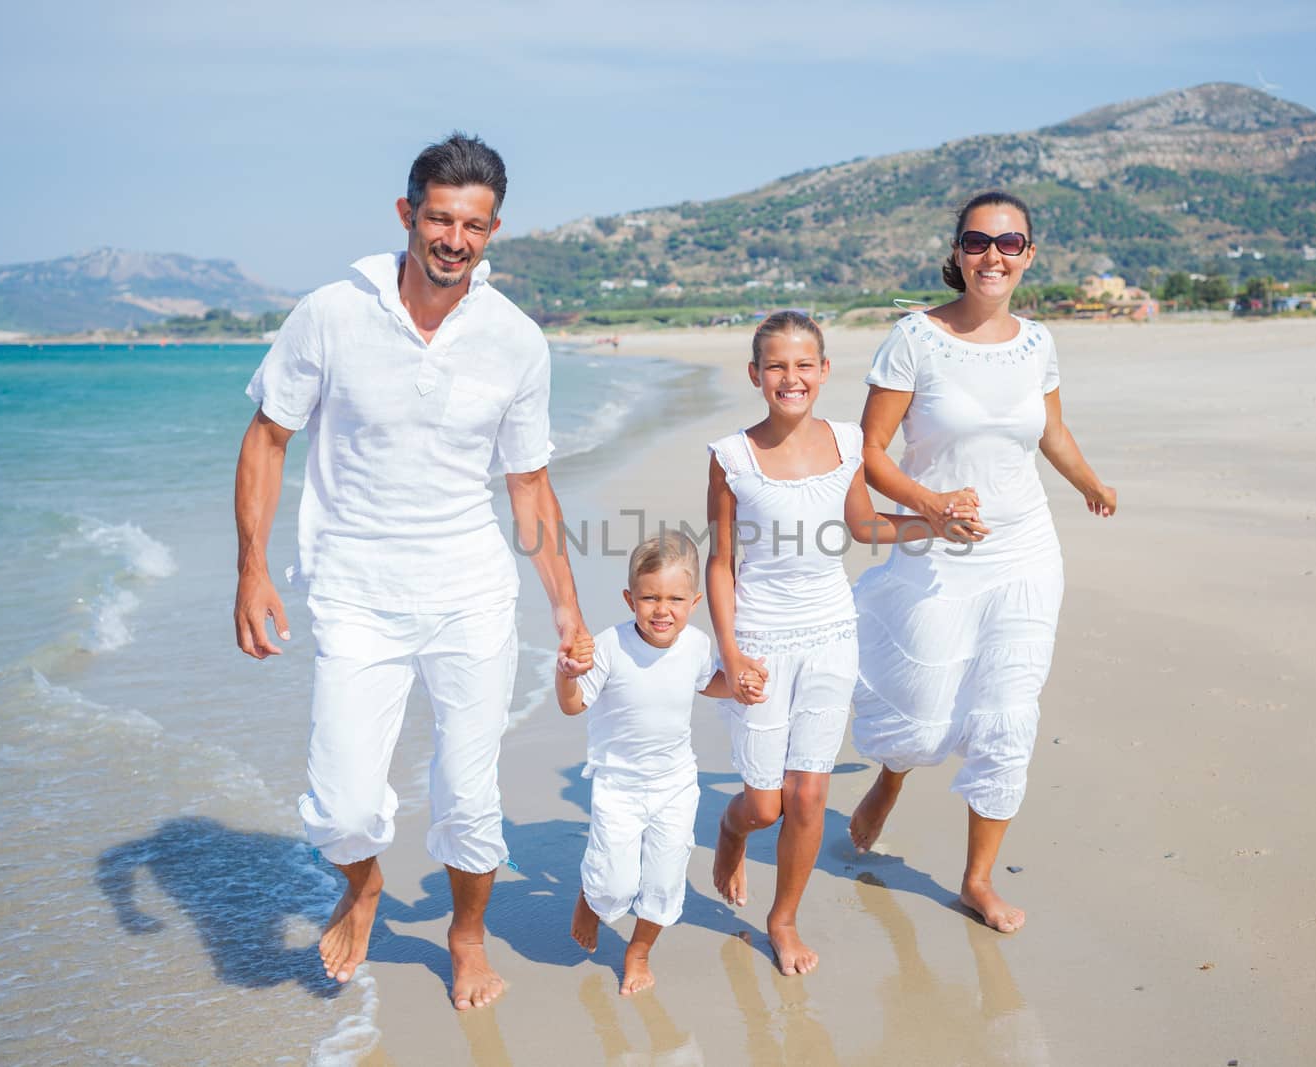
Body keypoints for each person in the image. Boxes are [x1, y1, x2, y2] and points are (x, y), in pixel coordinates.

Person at [232, 132, 589, 1010]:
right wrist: (251, 568)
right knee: (346, 806)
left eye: (473, 224)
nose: (454, 239)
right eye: (439, 218)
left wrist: (569, 614)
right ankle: (363, 883)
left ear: (494, 229)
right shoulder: (330, 313)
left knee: (469, 798)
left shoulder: (515, 341)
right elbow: (269, 437)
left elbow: (530, 486)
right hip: (355, 591)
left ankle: (467, 937)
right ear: (407, 215)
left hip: (470, 593)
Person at [847, 191, 1117, 934]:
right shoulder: (914, 339)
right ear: (957, 253)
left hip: (1025, 548)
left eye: (1009, 242)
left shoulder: (1039, 341)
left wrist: (1089, 482)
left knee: (1009, 712)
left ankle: (976, 878)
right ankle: (891, 776)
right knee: (924, 710)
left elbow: (1051, 430)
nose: (992, 255)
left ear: (1029, 255)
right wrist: (930, 507)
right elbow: (870, 452)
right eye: (977, 241)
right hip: (939, 552)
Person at [705, 311, 942, 974]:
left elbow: (864, 525)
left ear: (824, 371)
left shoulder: (845, 442)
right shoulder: (731, 457)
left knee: (808, 796)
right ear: (756, 375)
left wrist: (934, 524)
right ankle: (729, 833)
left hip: (832, 634)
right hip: (758, 640)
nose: (791, 376)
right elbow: (720, 561)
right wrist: (729, 649)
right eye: (776, 365)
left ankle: (783, 918)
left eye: (804, 364)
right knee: (762, 802)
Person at [556, 532, 757, 995]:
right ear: (630, 598)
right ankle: (592, 899)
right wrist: (565, 675)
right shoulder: (609, 646)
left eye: (674, 598)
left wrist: (740, 685)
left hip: (675, 784)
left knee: (665, 881)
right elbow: (573, 706)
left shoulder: (696, 645)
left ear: (695, 601)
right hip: (618, 786)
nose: (661, 609)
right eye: (649, 597)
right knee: (614, 885)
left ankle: (640, 950)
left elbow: (711, 683)